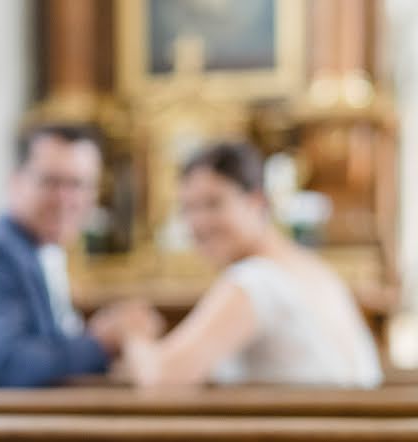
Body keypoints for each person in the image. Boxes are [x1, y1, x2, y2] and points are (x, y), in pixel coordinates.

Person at [122, 141, 382, 388]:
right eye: (188, 208)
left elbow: (163, 378)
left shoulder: (256, 279)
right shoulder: (310, 266)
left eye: (214, 203)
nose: (199, 223)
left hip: (311, 430)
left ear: (256, 202)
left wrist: (133, 333)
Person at [0, 123, 156, 387]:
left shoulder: (37, 246)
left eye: (79, 184)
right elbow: (4, 363)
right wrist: (100, 343)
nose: (66, 199)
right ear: (16, 182)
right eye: (51, 182)